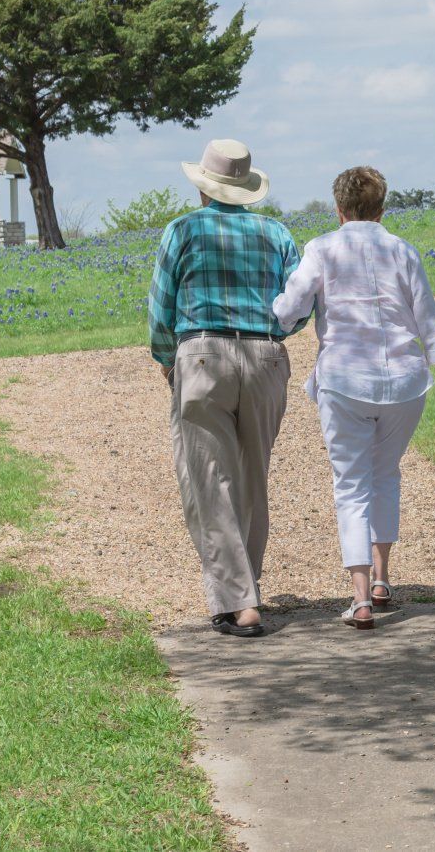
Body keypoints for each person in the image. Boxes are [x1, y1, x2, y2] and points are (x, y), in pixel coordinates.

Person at [274, 165, 435, 630]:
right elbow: (430, 320)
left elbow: (289, 310)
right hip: (405, 383)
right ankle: (383, 579)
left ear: (338, 209)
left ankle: (360, 597)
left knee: (351, 483)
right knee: (385, 473)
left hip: (345, 382)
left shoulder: (321, 249)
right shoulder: (402, 250)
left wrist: (278, 313)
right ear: (382, 208)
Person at [148, 138, 307, 639]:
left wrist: (165, 358)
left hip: (202, 354)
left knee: (208, 478)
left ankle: (239, 602)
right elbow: (300, 304)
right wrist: (276, 337)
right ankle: (245, 591)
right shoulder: (276, 232)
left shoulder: (182, 230)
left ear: (203, 187)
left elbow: (161, 306)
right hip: (264, 357)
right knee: (252, 475)